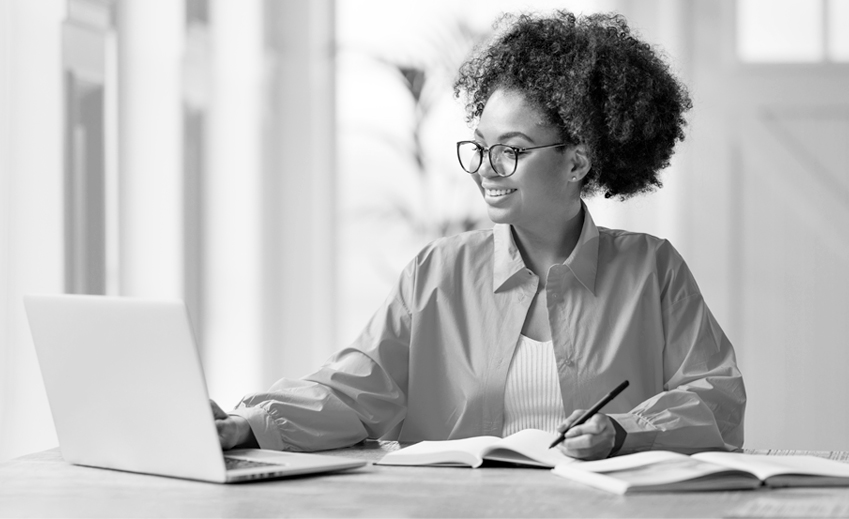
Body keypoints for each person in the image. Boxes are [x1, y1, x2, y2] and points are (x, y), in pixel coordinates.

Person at [213, 10, 745, 461]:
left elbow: (715, 395)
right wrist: (250, 422)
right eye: (480, 146)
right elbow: (355, 389)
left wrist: (625, 431)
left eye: (510, 149)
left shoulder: (652, 269)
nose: (486, 169)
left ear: (577, 161)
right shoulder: (438, 273)